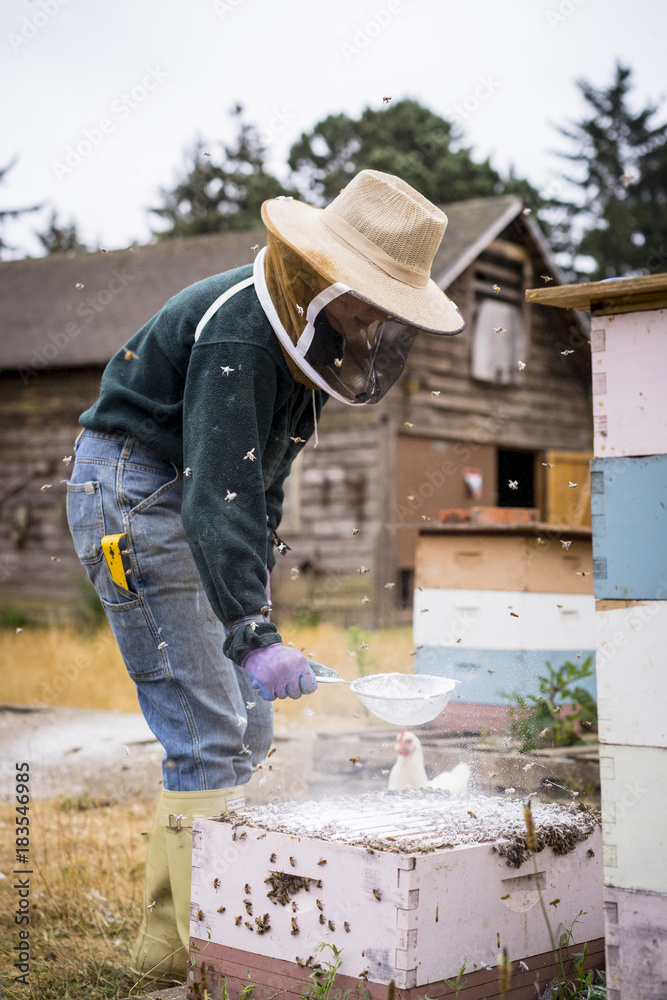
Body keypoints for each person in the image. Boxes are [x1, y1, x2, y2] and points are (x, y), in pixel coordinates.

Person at [65, 168, 464, 986]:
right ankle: (191, 958)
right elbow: (219, 494)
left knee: (249, 729)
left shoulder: (308, 352)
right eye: (371, 301)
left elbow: (260, 490)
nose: (377, 322)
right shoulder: (242, 335)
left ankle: (204, 931)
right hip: (135, 495)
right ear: (327, 277)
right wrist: (248, 633)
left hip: (183, 493)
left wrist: (261, 614)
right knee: (209, 735)